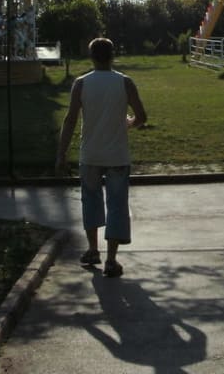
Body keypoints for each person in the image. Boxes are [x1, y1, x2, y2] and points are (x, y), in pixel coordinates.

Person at [55, 37, 147, 278]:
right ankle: (111, 260)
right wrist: (129, 123)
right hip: (117, 155)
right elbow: (141, 116)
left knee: (90, 201)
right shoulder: (125, 82)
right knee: (117, 205)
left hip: (90, 154)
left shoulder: (81, 84)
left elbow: (71, 120)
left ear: (91, 57)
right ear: (113, 56)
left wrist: (61, 153)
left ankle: (93, 249)